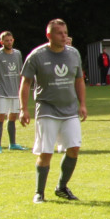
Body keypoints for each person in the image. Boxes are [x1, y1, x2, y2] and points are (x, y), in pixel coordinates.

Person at [20, 19, 87, 202]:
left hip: (70, 109)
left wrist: (82, 104)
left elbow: (79, 80)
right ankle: (39, 193)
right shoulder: (37, 56)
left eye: (65, 32)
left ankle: (61, 187)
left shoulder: (73, 54)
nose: (64, 36)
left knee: (74, 148)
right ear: (49, 35)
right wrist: (23, 109)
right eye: (60, 33)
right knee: (46, 152)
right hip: (47, 109)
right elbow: (25, 83)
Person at [0, 31, 27, 153]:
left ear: (13, 40)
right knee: (0, 117)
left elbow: (20, 71)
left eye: (10, 40)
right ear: (1, 42)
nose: (9, 42)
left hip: (15, 91)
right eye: (6, 40)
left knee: (13, 117)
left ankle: (12, 144)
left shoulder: (18, 54)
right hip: (1, 91)